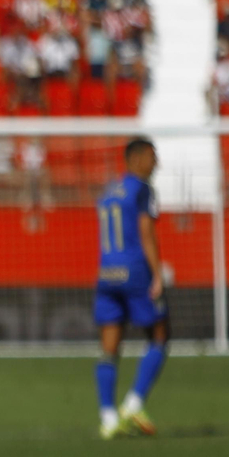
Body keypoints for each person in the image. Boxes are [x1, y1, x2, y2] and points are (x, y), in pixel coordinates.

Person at [94, 138, 167, 439]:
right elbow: (146, 234)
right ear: (136, 158)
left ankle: (108, 418)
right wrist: (157, 274)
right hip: (135, 271)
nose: (156, 163)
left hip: (106, 272)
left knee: (109, 348)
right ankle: (133, 404)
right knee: (159, 336)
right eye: (152, 156)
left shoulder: (110, 190)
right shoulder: (142, 189)